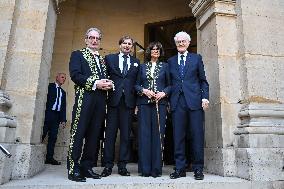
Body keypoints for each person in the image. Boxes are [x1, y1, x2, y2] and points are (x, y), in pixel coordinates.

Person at [67, 27, 113, 182]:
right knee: (78, 133)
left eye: (97, 38)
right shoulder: (78, 54)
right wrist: (96, 83)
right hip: (84, 99)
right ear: (86, 39)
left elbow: (104, 78)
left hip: (100, 101)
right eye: (91, 38)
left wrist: (108, 83)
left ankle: (87, 167)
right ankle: (73, 169)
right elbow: (75, 75)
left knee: (94, 135)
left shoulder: (102, 59)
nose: (94, 40)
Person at [168, 31, 209, 180]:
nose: (181, 43)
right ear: (175, 43)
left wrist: (205, 97)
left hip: (195, 102)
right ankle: (180, 168)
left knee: (197, 135)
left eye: (183, 41)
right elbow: (169, 83)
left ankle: (198, 168)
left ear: (188, 42)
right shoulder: (170, 61)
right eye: (178, 41)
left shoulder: (196, 58)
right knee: (178, 136)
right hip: (177, 103)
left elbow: (203, 81)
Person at [101, 36, 140, 177]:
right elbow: (103, 76)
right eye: (124, 43)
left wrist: (136, 104)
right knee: (110, 135)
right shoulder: (110, 59)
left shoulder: (136, 62)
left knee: (125, 136)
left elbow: (137, 83)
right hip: (112, 102)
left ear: (132, 47)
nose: (127, 46)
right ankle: (107, 166)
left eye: (130, 44)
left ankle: (123, 166)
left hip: (128, 104)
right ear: (120, 45)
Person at [135, 42, 171, 177]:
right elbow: (136, 85)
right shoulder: (142, 67)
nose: (155, 51)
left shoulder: (166, 66)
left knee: (158, 136)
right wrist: (143, 90)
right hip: (144, 104)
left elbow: (170, 85)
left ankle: (156, 169)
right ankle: (145, 169)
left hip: (159, 105)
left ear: (160, 52)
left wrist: (164, 93)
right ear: (149, 52)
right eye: (152, 49)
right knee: (144, 136)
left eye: (157, 49)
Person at [42, 73, 67, 165]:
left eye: (64, 78)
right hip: (47, 114)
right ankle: (38, 158)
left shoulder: (63, 92)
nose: (63, 79)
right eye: (62, 77)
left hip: (56, 117)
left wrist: (63, 120)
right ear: (56, 77)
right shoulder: (49, 87)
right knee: (42, 134)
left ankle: (49, 158)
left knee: (53, 138)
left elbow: (63, 107)